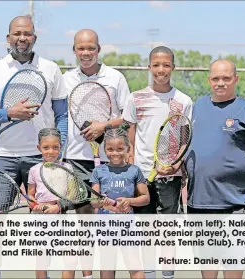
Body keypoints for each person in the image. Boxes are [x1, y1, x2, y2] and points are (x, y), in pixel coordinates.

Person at [0, 15, 68, 279]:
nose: (22, 38)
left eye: (27, 34)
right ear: (8, 38)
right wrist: (8, 112)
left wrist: (58, 153)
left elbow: (61, 115)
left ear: (34, 38)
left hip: (41, 158)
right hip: (3, 156)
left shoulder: (50, 68)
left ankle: (43, 274)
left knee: (46, 222)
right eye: (17, 33)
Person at [184, 59, 245, 279]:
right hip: (200, 200)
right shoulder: (197, 108)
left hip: (235, 202)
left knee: (233, 261)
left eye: (226, 78)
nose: (220, 83)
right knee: (207, 263)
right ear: (209, 80)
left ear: (236, 79)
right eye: (215, 78)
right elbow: (188, 146)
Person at [62, 28, 131, 279]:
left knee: (109, 221)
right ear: (74, 51)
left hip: (110, 161)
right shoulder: (66, 79)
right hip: (77, 159)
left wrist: (104, 126)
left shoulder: (115, 78)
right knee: (85, 221)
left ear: (98, 49)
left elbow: (128, 117)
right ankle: (88, 274)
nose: (86, 52)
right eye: (81, 48)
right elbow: (60, 115)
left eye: (91, 48)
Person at [122, 46, 193, 279]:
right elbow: (131, 134)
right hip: (142, 176)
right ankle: (150, 273)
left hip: (169, 176)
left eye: (166, 65)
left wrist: (176, 163)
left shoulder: (183, 101)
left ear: (173, 67)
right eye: (156, 65)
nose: (161, 70)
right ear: (149, 67)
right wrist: (131, 162)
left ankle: (167, 274)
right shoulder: (135, 98)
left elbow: (185, 138)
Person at [90, 127, 149, 279]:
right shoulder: (98, 172)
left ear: (128, 149)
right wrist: (102, 203)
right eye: (110, 149)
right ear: (104, 149)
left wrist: (129, 201)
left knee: (134, 264)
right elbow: (94, 202)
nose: (115, 153)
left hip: (127, 223)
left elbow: (145, 198)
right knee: (107, 264)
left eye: (120, 149)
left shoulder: (134, 170)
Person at [27, 128, 74, 279]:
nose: (51, 152)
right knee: (41, 259)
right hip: (40, 220)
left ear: (61, 146)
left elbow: (72, 195)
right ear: (38, 148)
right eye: (46, 148)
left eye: (55, 147)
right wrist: (35, 205)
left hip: (61, 217)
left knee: (70, 259)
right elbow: (30, 195)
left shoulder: (67, 168)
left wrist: (58, 206)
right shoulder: (34, 170)